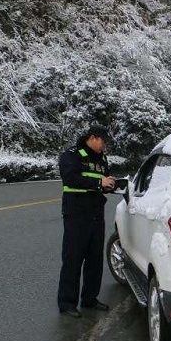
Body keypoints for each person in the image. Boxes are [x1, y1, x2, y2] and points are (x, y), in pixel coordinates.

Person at [57, 124, 117, 318]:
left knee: (95, 258)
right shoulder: (72, 155)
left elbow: (102, 181)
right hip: (76, 214)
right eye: (103, 141)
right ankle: (67, 303)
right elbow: (70, 179)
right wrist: (99, 183)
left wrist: (108, 185)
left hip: (96, 213)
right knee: (73, 257)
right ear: (92, 137)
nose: (104, 146)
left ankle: (90, 298)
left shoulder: (102, 160)